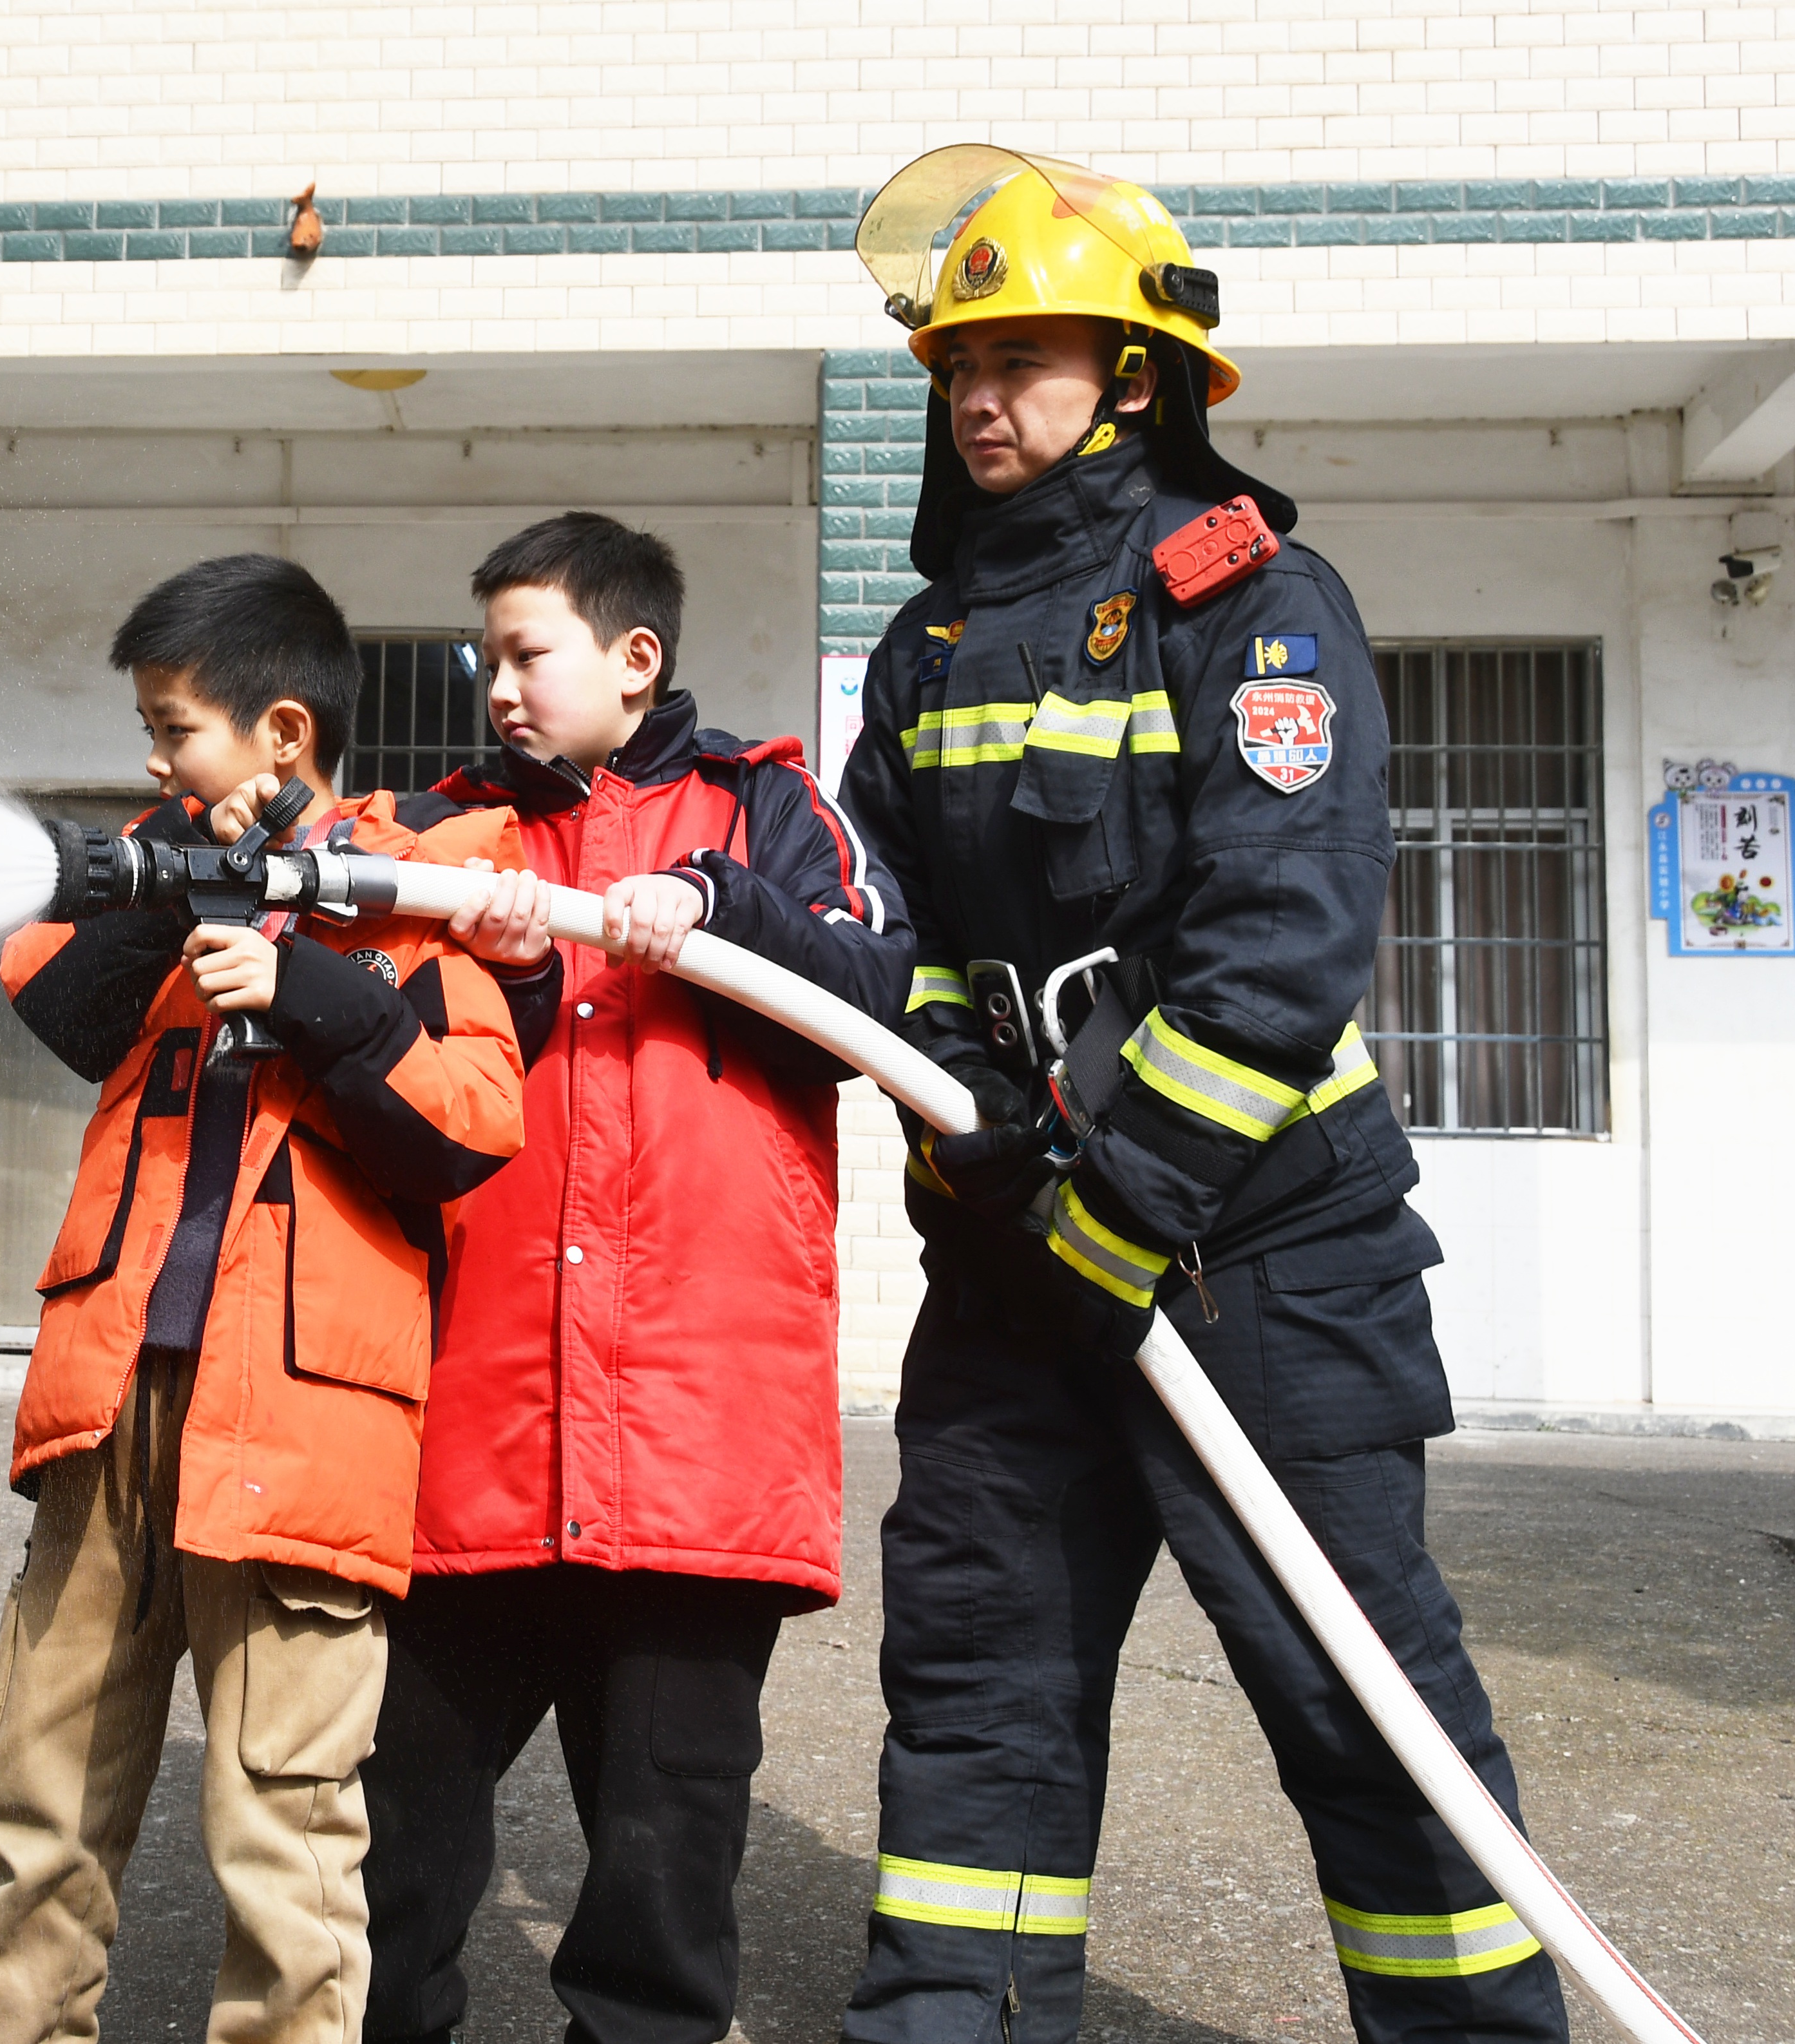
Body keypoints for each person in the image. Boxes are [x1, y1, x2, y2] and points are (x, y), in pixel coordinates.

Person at [830, 148, 1571, 2044]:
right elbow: (898, 933)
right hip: (1021, 1266)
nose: (975, 397)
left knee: (1354, 1695)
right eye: (954, 367)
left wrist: (1114, 1196)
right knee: (980, 1692)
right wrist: (968, 1129)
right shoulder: (919, 656)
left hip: (1261, 1259)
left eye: (1022, 359)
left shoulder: (1247, 602)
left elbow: (1279, 945)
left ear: (1132, 375)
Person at [0, 553, 533, 2044]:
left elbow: (471, 1125)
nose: (152, 757)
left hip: (297, 1437)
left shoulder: (416, 898)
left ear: (283, 733)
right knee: (41, 1811)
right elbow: (59, 1007)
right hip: (109, 1416)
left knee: (285, 1847)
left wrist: (319, 993)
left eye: (174, 728)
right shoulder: (149, 882)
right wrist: (179, 879)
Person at [361, 511, 913, 2044]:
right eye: (487, 661)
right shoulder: (444, 834)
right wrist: (499, 965)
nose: (500, 691)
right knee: (392, 1852)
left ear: (634, 657)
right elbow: (370, 1064)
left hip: (692, 1439)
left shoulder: (766, 810)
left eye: (527, 654)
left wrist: (727, 913)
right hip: (470, 1425)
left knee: (664, 1869)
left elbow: (888, 996)